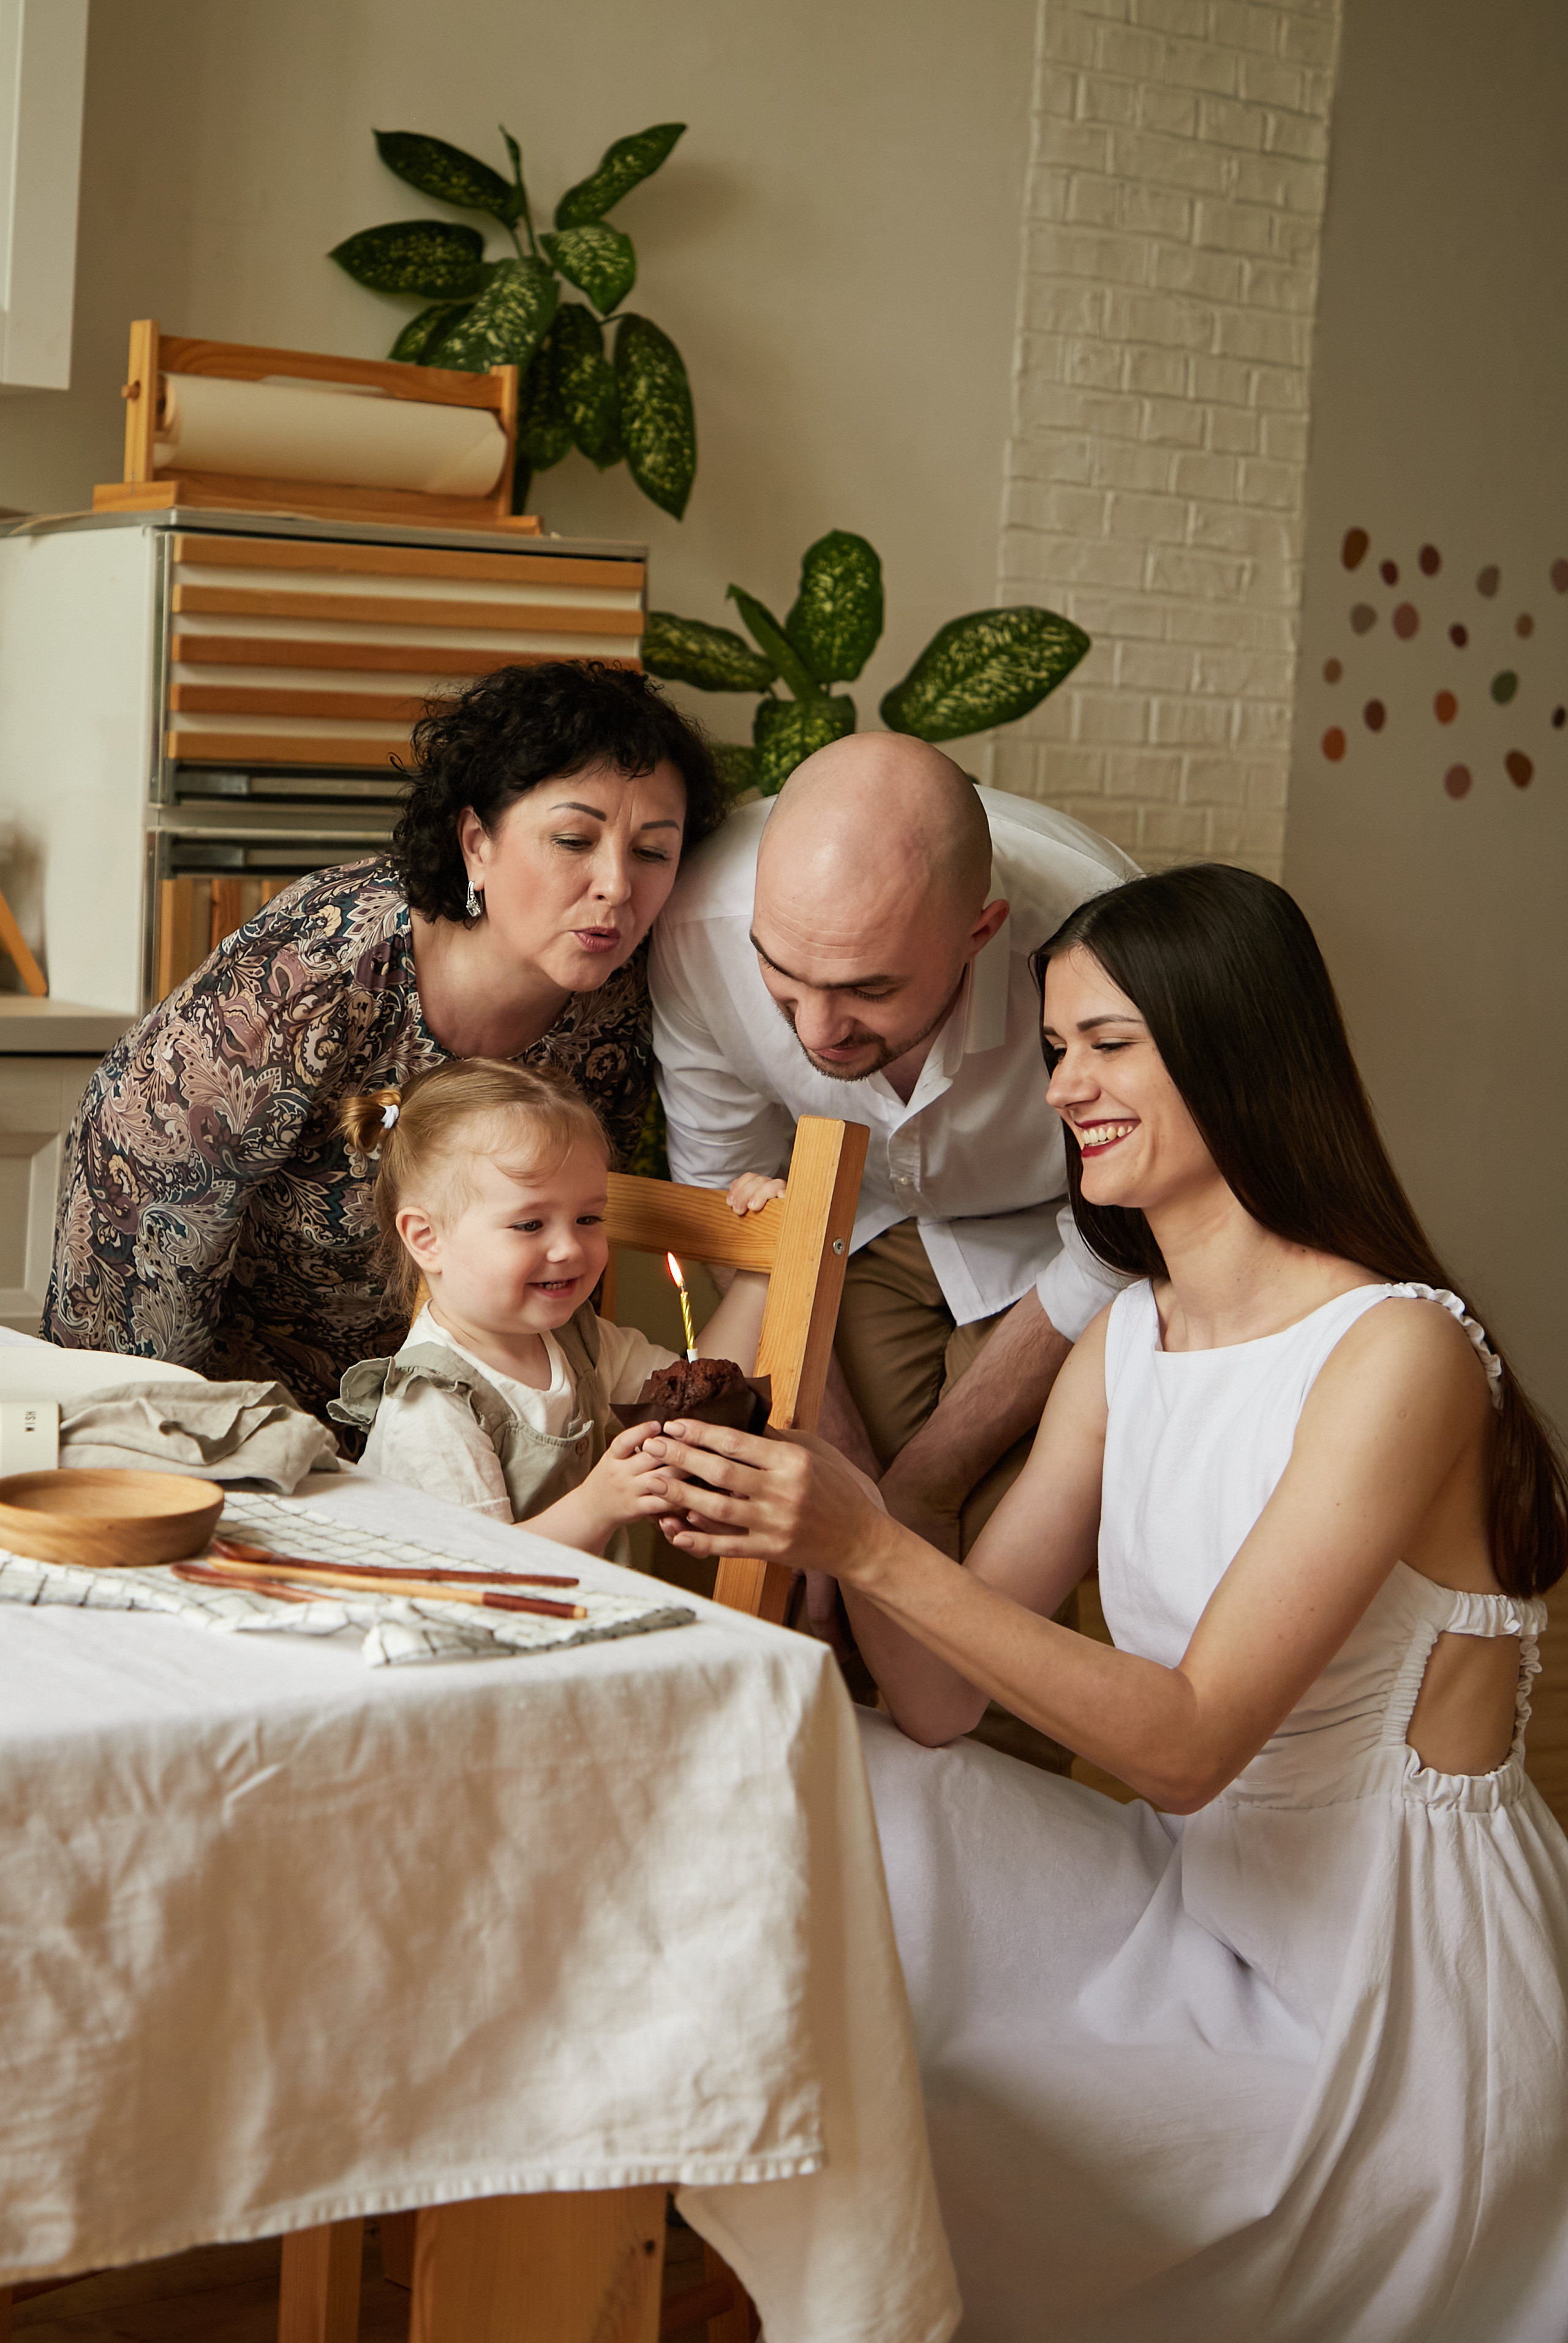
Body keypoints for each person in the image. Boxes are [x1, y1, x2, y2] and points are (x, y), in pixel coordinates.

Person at [646, 863, 1568, 2340]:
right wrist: (813, 1427)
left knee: (971, 2089)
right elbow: (940, 1700)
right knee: (849, 1775)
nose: (1069, 1084)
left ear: (1234, 1049)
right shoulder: (1125, 1340)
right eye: (1059, 1046)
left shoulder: (1395, 1354)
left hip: (1392, 1992)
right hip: (1201, 1899)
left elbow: (1187, 1741)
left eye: (1110, 1044)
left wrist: (872, 1548)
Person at [43, 661, 725, 1420]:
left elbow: (566, 1239)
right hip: (220, 1372)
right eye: (573, 839)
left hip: (438, 1407)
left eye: (652, 852)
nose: (616, 886)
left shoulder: (628, 1003)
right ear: (477, 843)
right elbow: (150, 1213)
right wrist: (166, 1438)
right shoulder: (321, 969)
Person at [651, 731, 1133, 1738]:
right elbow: (735, 1207)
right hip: (849, 1222)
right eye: (783, 978)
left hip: (1065, 1234)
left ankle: (1013, 1862)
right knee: (814, 1588)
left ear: (982, 930)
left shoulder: (1101, 936)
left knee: (1001, 1593)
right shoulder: (700, 923)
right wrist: (850, 1502)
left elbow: (1131, 1226)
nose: (819, 1029)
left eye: (870, 990)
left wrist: (924, 1482)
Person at [328, 1060, 769, 1552]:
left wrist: (762, 1273)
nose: (570, 1249)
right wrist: (595, 1508)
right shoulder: (433, 1403)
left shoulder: (577, 1340)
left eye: (587, 1217)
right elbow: (477, 1570)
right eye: (530, 1225)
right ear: (427, 1238)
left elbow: (706, 1406)